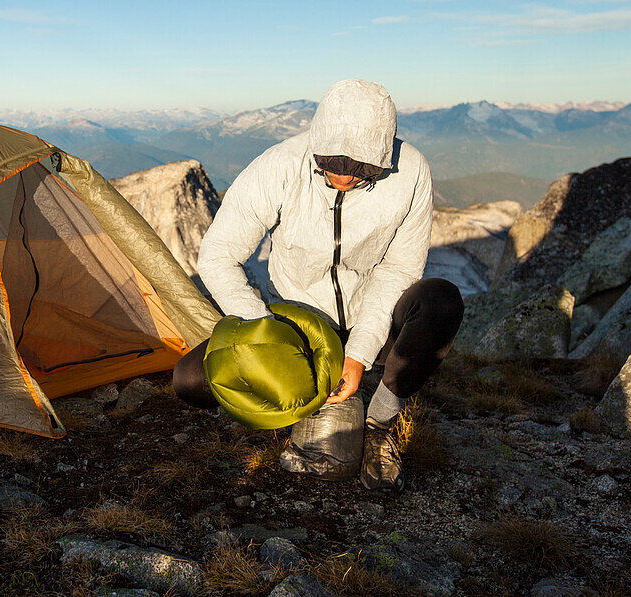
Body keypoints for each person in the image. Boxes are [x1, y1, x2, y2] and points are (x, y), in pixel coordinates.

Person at [174, 79, 464, 491]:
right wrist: (266, 332)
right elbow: (218, 255)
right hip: (297, 322)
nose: (345, 176)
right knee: (189, 380)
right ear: (316, 143)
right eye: (332, 162)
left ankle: (378, 424)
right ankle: (297, 399)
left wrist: (359, 352)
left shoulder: (412, 171)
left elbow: (399, 270)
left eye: (363, 169)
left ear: (383, 153)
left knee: (440, 302)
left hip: (374, 316)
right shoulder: (279, 165)